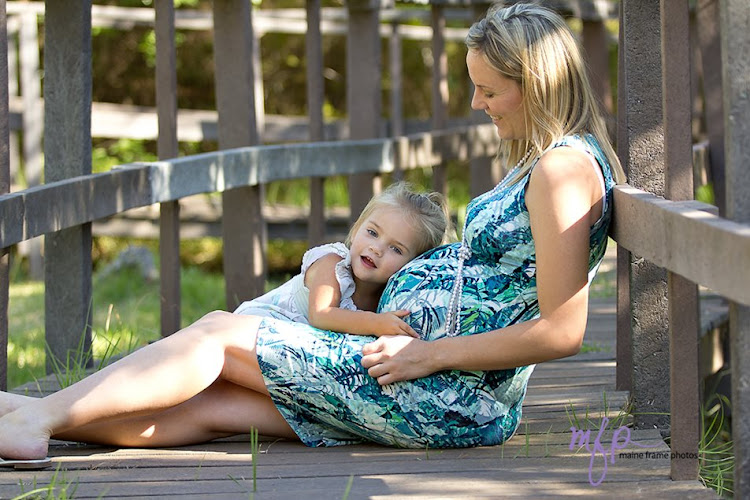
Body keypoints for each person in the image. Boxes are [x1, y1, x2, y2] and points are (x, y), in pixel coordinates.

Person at [0, 2, 626, 465]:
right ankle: (32, 418)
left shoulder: (562, 171)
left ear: (534, 83)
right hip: (425, 378)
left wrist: (426, 353)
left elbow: (562, 330)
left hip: (446, 394)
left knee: (220, 334)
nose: (476, 103)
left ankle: (39, 416)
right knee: (214, 403)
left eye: (489, 90)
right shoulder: (549, 160)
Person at [233, 181, 453, 338]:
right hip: (256, 327)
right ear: (357, 228)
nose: (376, 249)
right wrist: (376, 324)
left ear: (414, 264)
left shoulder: (391, 298)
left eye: (396, 248)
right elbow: (321, 315)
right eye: (373, 233)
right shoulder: (332, 264)